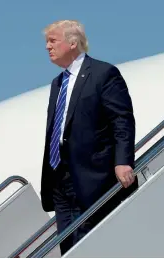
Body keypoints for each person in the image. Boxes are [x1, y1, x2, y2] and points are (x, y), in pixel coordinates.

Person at [40, 20, 138, 255]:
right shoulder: (58, 83)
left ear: (72, 43)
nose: (47, 47)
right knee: (69, 248)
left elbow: (122, 119)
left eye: (52, 41)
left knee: (91, 244)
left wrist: (123, 160)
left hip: (92, 177)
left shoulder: (103, 74)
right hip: (59, 181)